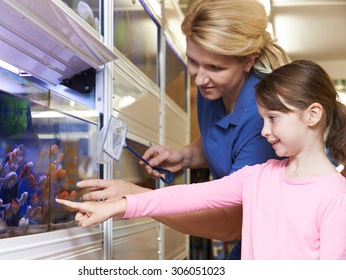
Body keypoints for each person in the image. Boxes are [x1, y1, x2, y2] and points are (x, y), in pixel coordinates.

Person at [56, 60, 346, 259]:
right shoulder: (257, 176)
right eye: (262, 119)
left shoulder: (336, 196)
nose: (264, 131)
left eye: (273, 118)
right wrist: (120, 205)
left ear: (313, 115)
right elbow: (191, 196)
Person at [79, 0, 291, 259]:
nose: (200, 78)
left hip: (278, 242)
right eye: (193, 61)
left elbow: (229, 225)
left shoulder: (264, 119)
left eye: (215, 67)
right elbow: (224, 138)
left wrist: (135, 199)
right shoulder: (213, 87)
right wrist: (186, 156)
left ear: (248, 61)